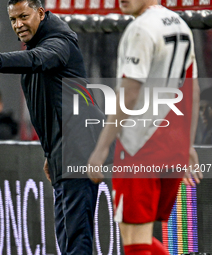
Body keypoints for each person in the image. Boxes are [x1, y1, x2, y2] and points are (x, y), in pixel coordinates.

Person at [0, 0, 114, 253]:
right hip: (63, 150)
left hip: (79, 150)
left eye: (23, 16)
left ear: (41, 13)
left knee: (76, 238)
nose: (18, 25)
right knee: (67, 235)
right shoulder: (38, 43)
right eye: (12, 20)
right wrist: (50, 153)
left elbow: (38, 59)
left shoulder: (59, 41)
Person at [87, 1, 203, 255]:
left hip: (140, 146)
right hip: (173, 147)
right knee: (137, 236)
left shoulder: (141, 28)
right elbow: (192, 89)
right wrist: (188, 143)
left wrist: (102, 147)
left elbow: (129, 94)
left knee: (135, 241)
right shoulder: (181, 25)